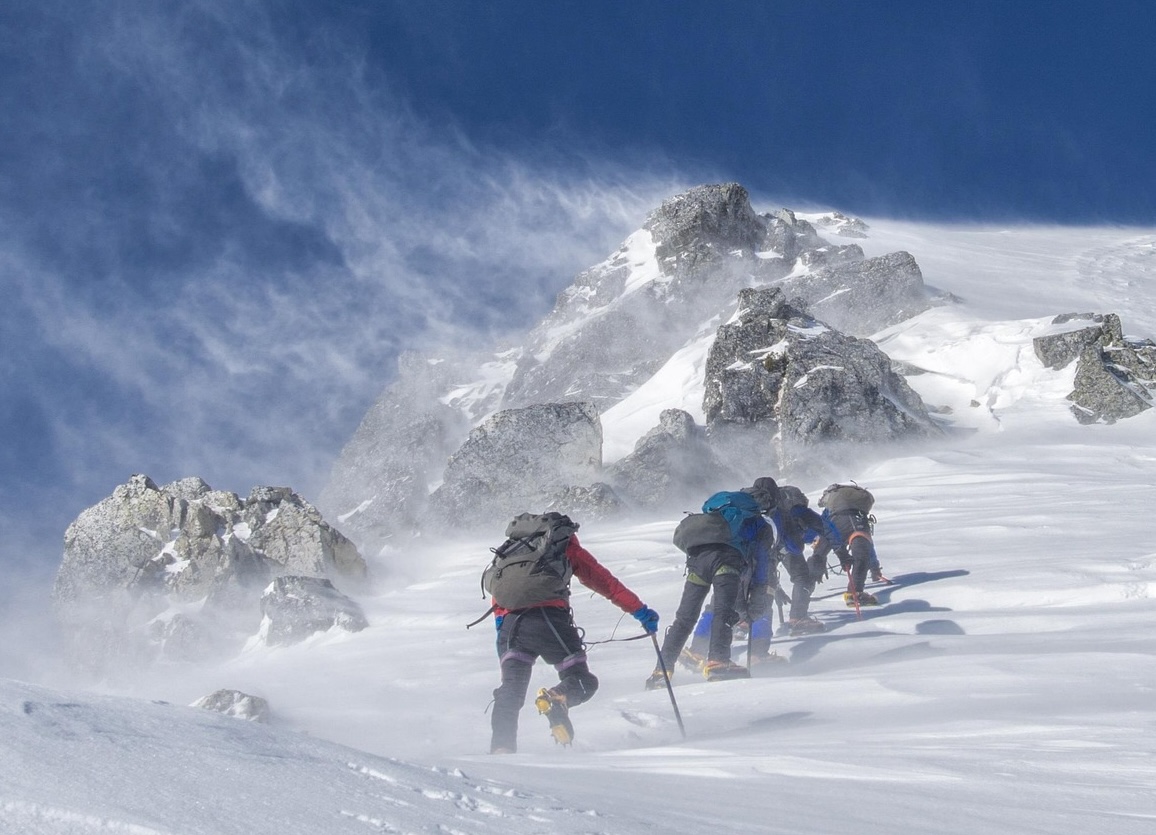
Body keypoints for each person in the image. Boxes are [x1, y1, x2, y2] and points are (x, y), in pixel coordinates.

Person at [487, 513, 659, 754]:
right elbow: (604, 582)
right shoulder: (562, 544)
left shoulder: (509, 551)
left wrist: (501, 634)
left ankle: (501, 751)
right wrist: (640, 611)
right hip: (550, 621)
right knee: (582, 680)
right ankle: (558, 696)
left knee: (511, 691)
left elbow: (498, 595)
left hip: (510, 626)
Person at [646, 477, 780, 687]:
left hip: (697, 559)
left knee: (684, 617)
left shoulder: (722, 510)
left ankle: (661, 670)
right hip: (726, 562)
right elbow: (761, 562)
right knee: (724, 612)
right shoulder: (759, 523)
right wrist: (760, 591)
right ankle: (718, 662)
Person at [811, 483, 882, 606]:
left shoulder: (832, 507)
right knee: (861, 555)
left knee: (818, 556)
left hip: (835, 523)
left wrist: (819, 553)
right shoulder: (859, 507)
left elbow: (823, 526)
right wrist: (874, 567)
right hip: (858, 521)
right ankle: (855, 593)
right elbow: (868, 549)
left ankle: (804, 590)